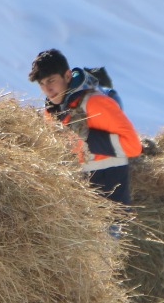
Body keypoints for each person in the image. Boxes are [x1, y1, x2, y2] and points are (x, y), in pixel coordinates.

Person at [28, 48, 143, 206]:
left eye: (51, 80)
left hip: (112, 207)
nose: (47, 89)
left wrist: (88, 137)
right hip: (81, 208)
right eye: (42, 84)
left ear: (67, 76)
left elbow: (133, 146)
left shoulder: (95, 103)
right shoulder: (51, 113)